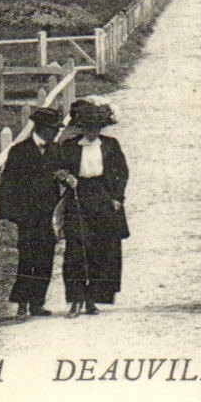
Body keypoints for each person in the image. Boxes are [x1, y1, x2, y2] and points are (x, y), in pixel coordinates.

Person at [55, 98, 129, 316]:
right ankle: (75, 299)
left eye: (96, 127)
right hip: (77, 197)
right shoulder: (69, 147)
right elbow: (58, 169)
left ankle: (92, 299)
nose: (92, 132)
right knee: (76, 249)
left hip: (103, 198)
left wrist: (117, 198)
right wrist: (66, 177)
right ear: (82, 127)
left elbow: (122, 172)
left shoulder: (110, 145)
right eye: (88, 128)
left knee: (101, 249)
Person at [0, 107, 64, 319]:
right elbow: (7, 185)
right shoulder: (19, 151)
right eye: (53, 129)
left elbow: (61, 174)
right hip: (26, 214)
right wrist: (8, 216)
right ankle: (21, 304)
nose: (55, 133)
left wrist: (64, 177)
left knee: (46, 255)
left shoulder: (55, 150)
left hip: (48, 213)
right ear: (41, 128)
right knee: (27, 257)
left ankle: (37, 302)